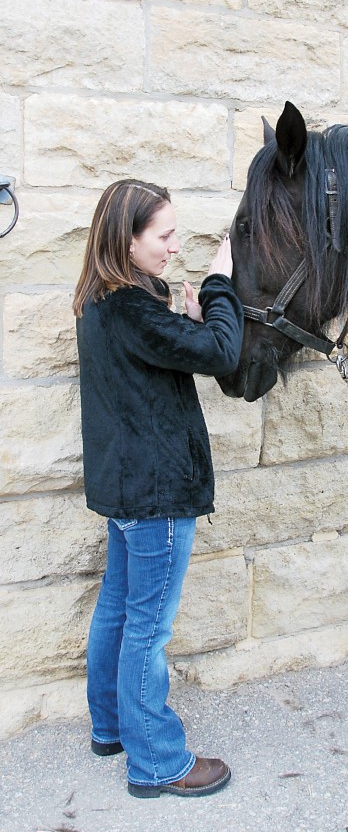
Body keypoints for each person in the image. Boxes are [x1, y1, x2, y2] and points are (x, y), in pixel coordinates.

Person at [73, 179, 244, 799]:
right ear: (129, 239)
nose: (175, 248)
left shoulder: (102, 300)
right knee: (148, 627)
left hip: (126, 491)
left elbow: (167, 355)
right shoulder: (133, 308)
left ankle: (112, 727)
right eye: (165, 236)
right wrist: (221, 283)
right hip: (157, 495)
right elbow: (223, 352)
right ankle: (157, 762)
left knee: (119, 610)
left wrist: (185, 315)